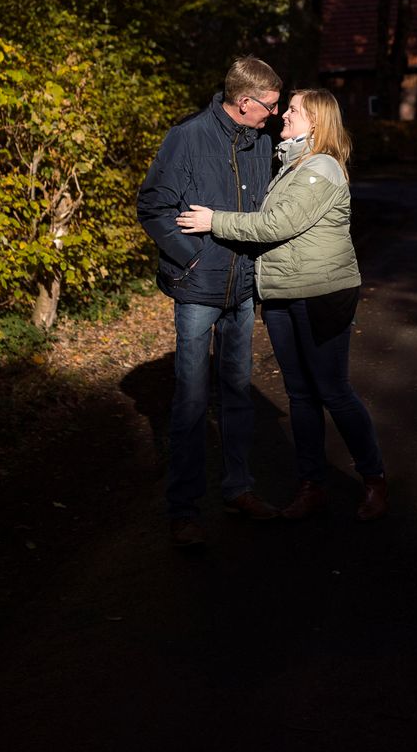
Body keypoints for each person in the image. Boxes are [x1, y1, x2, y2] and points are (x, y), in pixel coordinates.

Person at [176, 88, 387, 523]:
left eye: (292, 110)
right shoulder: (291, 164)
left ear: (317, 122)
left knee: (333, 391)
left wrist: (213, 220)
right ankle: (312, 485)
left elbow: (277, 224)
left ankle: (373, 479)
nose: (283, 116)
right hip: (282, 295)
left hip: (320, 295)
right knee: (301, 395)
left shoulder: (321, 167)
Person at [137, 56, 283, 547]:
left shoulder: (261, 142)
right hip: (198, 289)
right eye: (269, 106)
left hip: (242, 291)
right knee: (192, 400)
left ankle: (239, 489)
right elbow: (153, 206)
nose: (274, 115)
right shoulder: (187, 138)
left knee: (238, 394)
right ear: (244, 102)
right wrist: (192, 258)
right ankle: (184, 511)